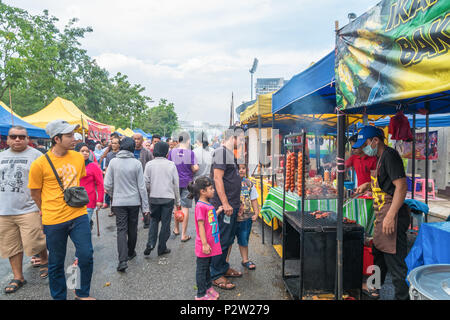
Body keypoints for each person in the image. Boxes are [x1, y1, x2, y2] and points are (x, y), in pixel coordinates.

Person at [28, 120, 95, 300]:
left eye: (74, 134)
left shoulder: (77, 157)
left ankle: (81, 293)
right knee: (56, 263)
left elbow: (77, 182)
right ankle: (59, 297)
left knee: (86, 255)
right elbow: (35, 193)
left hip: (78, 214)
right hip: (54, 219)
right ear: (56, 139)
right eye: (69, 136)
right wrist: (45, 211)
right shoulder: (39, 164)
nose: (75, 139)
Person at [354, 126, 410, 300]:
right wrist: (368, 185)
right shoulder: (379, 157)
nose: (364, 148)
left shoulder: (390, 156)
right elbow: (387, 182)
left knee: (395, 263)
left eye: (365, 144)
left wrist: (390, 216)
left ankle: (402, 297)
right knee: (378, 253)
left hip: (391, 216)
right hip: (382, 214)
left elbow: (401, 187)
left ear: (375, 141)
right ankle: (374, 287)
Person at [0, 126, 49, 294]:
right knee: (11, 245)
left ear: (28, 139)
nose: (17, 139)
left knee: (35, 240)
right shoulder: (1, 156)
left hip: (29, 208)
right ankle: (18, 277)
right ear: (7, 139)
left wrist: (43, 207)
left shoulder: (37, 156)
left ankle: (44, 259)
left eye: (21, 136)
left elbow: (45, 182)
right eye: (13, 137)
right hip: (4, 210)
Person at [104, 137, 150, 272]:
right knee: (132, 227)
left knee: (121, 229)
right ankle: (131, 252)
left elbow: (107, 184)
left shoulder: (113, 162)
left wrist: (114, 194)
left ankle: (122, 260)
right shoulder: (136, 164)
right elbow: (142, 187)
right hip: (134, 202)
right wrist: (145, 207)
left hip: (119, 202)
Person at [209, 126, 245, 290]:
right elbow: (217, 178)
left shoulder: (230, 154)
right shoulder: (221, 152)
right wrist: (225, 203)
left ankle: (223, 268)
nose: (243, 142)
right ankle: (216, 274)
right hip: (224, 207)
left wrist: (239, 203)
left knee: (228, 239)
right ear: (233, 137)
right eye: (242, 138)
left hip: (233, 205)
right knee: (222, 240)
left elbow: (232, 179)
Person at [143, 142, 181, 257]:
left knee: (154, 221)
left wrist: (152, 189)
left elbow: (146, 182)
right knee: (166, 223)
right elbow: (175, 184)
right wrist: (177, 201)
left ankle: (150, 244)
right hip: (168, 198)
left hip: (154, 197)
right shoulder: (171, 165)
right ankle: (162, 247)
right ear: (166, 152)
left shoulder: (149, 164)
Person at [188, 176, 222, 300]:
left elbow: (209, 218)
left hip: (210, 242)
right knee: (202, 269)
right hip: (205, 244)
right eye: (211, 188)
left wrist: (217, 211)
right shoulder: (200, 206)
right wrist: (204, 244)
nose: (213, 190)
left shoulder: (207, 204)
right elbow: (201, 226)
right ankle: (201, 294)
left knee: (207, 267)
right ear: (202, 191)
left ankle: (208, 287)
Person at [226, 163, 259, 270]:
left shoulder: (249, 183)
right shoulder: (228, 182)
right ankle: (225, 261)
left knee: (244, 239)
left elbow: (253, 199)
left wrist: (256, 213)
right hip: (231, 217)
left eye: (243, 168)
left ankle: (245, 259)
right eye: (238, 168)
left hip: (245, 218)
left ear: (246, 169)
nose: (241, 170)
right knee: (228, 240)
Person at [168, 132, 199, 242]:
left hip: (174, 182)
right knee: (185, 207)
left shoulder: (172, 152)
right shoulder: (190, 153)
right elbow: (195, 168)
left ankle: (176, 229)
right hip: (187, 183)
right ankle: (184, 235)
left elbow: (169, 166)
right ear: (188, 141)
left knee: (177, 206)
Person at [75, 143, 104, 229]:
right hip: (73, 201)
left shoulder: (94, 166)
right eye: (82, 151)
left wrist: (100, 200)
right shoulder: (72, 165)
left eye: (87, 151)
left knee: (83, 229)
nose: (85, 153)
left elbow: (100, 184)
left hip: (88, 201)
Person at [133, 133, 154, 228]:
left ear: (142, 141)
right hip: (131, 181)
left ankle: (147, 221)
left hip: (143, 181)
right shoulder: (130, 151)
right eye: (135, 139)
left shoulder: (147, 152)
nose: (136, 141)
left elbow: (151, 165)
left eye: (138, 139)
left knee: (145, 201)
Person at [103, 136, 121, 214]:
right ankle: (113, 210)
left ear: (119, 144)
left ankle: (119, 209)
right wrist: (106, 178)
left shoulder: (121, 154)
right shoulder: (109, 155)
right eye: (112, 143)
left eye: (115, 143)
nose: (113, 145)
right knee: (111, 195)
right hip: (111, 177)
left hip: (119, 177)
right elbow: (106, 167)